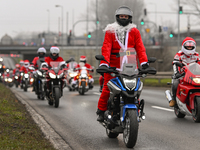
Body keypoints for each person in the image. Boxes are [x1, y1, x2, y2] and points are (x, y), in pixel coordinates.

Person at [96, 6, 149, 122]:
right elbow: (106, 48)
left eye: (125, 16)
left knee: (134, 90)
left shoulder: (135, 31)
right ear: (117, 17)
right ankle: (101, 110)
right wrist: (104, 64)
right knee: (106, 89)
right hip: (113, 68)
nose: (123, 18)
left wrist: (144, 63)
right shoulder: (110, 31)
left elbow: (140, 48)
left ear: (130, 18)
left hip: (131, 67)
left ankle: (137, 111)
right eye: (121, 16)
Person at [169, 37, 200, 107]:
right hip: (181, 74)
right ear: (184, 46)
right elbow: (175, 64)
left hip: (193, 75)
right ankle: (173, 99)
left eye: (191, 47)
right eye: (188, 47)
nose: (189, 48)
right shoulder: (179, 55)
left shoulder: (197, 55)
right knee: (176, 83)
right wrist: (177, 73)